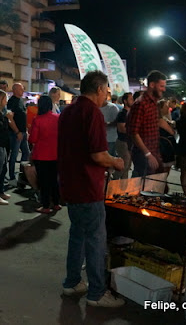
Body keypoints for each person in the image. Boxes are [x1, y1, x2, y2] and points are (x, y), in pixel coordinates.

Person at [59, 70, 124, 307]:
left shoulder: (67, 112)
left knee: (77, 235)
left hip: (69, 184)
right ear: (98, 89)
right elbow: (98, 154)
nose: (107, 95)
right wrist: (116, 162)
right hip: (88, 186)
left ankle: (72, 282)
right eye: (106, 90)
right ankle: (97, 293)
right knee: (96, 239)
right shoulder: (92, 113)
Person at [127, 70, 167, 177]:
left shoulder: (154, 103)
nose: (164, 89)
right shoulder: (140, 104)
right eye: (161, 86)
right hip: (143, 155)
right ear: (152, 85)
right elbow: (134, 133)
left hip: (154, 152)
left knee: (157, 186)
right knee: (142, 187)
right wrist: (148, 154)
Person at [28, 96, 59, 213]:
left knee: (44, 181)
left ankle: (45, 206)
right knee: (54, 179)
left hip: (41, 155)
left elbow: (33, 139)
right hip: (55, 154)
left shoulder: (38, 119)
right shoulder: (58, 118)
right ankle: (56, 203)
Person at [7, 83, 28, 181]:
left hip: (22, 132)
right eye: (20, 89)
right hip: (16, 133)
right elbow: (10, 118)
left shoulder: (20, 100)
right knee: (14, 155)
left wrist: (25, 131)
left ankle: (22, 173)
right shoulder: (12, 102)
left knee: (26, 153)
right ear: (14, 90)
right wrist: (17, 131)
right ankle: (12, 175)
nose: (22, 91)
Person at [114, 92, 133, 180]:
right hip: (123, 142)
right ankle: (112, 183)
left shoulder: (130, 113)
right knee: (124, 166)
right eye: (131, 99)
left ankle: (123, 188)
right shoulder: (122, 114)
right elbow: (121, 128)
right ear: (125, 101)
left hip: (128, 142)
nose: (133, 101)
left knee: (127, 166)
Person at [158, 99, 177, 177]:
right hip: (164, 147)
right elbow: (172, 132)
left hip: (164, 146)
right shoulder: (160, 120)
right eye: (166, 107)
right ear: (160, 108)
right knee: (164, 171)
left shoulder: (163, 118)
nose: (168, 108)